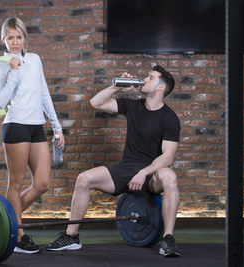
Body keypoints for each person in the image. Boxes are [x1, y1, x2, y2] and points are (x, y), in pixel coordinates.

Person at [46, 65, 181, 257]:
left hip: (152, 174)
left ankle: (168, 240)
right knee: (83, 179)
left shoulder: (169, 118)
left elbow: (167, 156)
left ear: (161, 88)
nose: (145, 79)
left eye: (150, 78)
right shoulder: (133, 105)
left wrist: (143, 173)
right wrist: (117, 86)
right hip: (127, 168)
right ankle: (71, 236)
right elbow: (96, 102)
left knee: (169, 176)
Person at [0, 17, 65, 254]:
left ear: (25, 38)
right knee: (17, 183)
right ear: (3, 39)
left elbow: (44, 94)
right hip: (15, 126)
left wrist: (57, 126)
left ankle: (5, 221)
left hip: (36, 127)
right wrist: (12, 72)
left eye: (18, 36)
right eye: (9, 37)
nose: (14, 42)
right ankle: (18, 236)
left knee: (42, 183)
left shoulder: (34, 59)